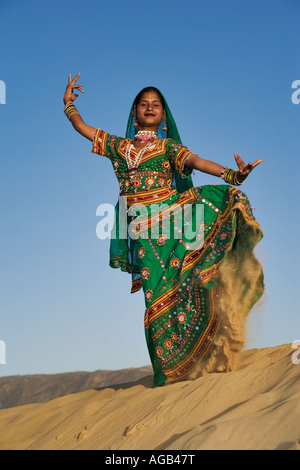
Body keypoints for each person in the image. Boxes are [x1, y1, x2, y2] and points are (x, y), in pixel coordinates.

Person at [63, 73, 264, 387]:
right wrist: (69, 106)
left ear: (163, 114)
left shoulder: (169, 147)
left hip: (174, 222)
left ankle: (212, 339)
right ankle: (170, 371)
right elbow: (83, 129)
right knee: (156, 298)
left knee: (191, 275)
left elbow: (196, 161)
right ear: (135, 112)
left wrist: (231, 175)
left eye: (155, 104)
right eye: (143, 104)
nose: (149, 107)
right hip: (144, 234)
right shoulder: (119, 146)